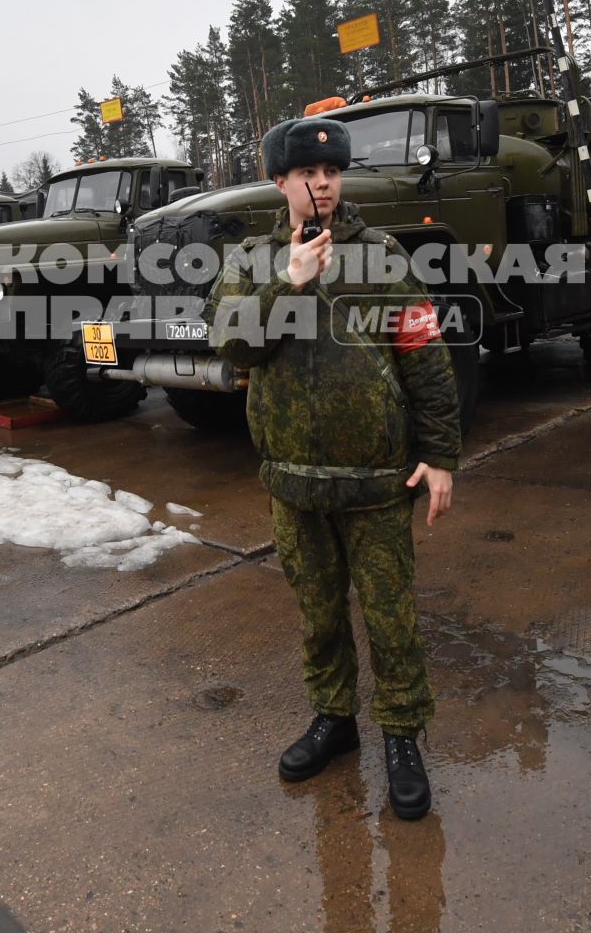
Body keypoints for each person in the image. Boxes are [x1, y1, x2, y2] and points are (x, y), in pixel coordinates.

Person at [205, 115, 461, 820]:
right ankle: (335, 720)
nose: (321, 183)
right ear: (280, 181)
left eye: (331, 172)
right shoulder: (251, 260)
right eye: (306, 174)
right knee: (319, 616)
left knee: (391, 618)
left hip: (377, 481)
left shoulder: (380, 254)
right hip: (293, 479)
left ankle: (403, 734)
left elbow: (424, 356)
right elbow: (231, 348)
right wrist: (287, 282)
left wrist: (439, 456)